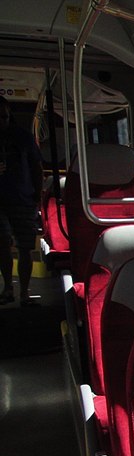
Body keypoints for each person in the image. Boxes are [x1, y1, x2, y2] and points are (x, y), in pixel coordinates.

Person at [0, 95, 43, 306]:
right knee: (2, 245)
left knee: (25, 247)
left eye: (4, 117)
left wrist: (38, 195)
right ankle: (8, 287)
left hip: (22, 198)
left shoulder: (23, 138)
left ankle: (24, 292)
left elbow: (36, 167)